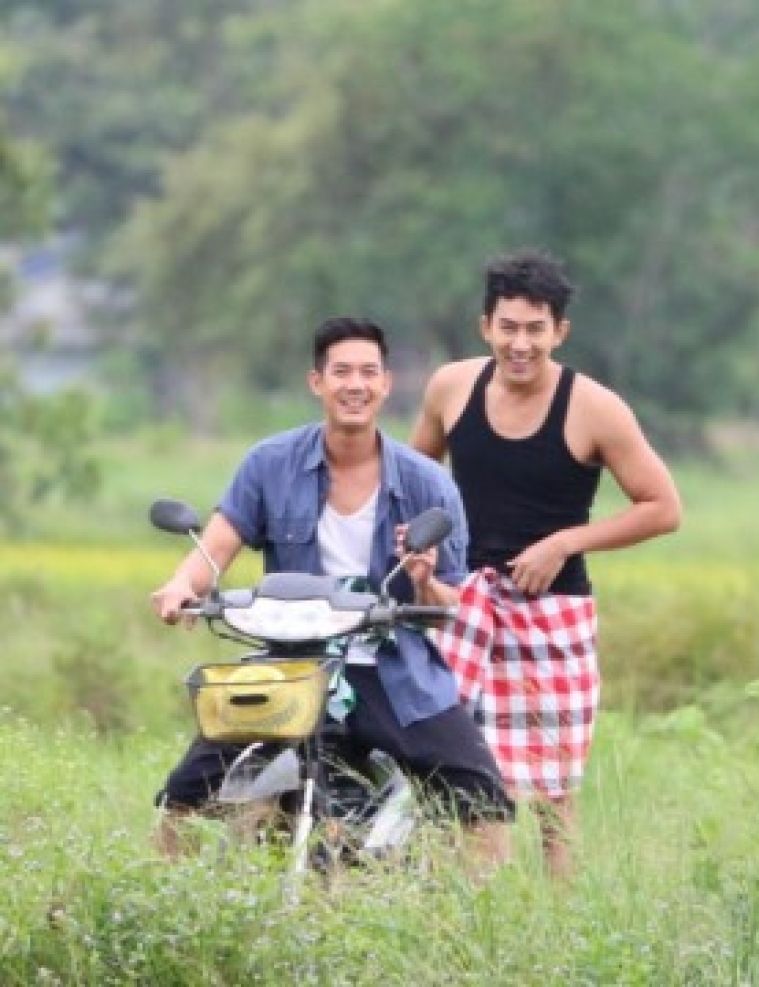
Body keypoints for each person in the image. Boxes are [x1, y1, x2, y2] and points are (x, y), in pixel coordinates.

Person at [150, 316, 513, 873]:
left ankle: (486, 911)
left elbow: (448, 605)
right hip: (291, 667)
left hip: (390, 669)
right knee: (182, 799)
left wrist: (422, 578)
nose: (355, 384)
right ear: (317, 382)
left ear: (386, 384)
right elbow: (216, 545)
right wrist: (182, 585)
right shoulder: (270, 464)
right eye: (342, 372)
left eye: (368, 372)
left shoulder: (427, 483)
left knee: (482, 797)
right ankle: (166, 900)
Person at [411, 248, 682, 879]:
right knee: (452, 772)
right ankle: (466, 905)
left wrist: (565, 543)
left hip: (552, 614)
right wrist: (420, 554)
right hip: (459, 604)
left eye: (536, 329)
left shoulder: (596, 408)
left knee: (554, 793)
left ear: (560, 331)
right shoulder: (451, 387)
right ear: (485, 326)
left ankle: (558, 923)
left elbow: (663, 508)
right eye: (508, 327)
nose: (521, 344)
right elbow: (414, 481)